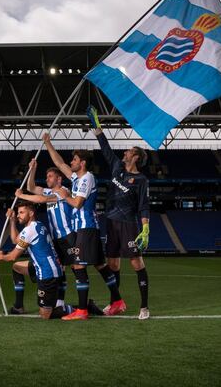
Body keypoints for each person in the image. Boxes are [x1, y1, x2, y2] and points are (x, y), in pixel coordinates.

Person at [42, 133, 126, 320]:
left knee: (78, 266)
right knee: (100, 265)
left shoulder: (87, 178)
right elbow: (60, 164)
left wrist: (64, 196)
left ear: (83, 163)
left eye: (74, 159)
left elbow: (77, 203)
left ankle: (82, 310)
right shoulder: (77, 179)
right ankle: (118, 301)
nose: (71, 162)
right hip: (88, 227)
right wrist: (48, 143)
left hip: (85, 227)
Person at [86, 105, 150, 320]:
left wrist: (146, 228)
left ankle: (144, 307)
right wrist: (97, 126)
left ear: (136, 158)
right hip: (111, 222)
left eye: (129, 152)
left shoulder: (141, 180)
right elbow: (105, 147)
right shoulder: (116, 168)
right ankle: (116, 303)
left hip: (129, 224)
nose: (125, 152)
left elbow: (143, 205)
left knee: (136, 263)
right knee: (113, 264)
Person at [0, 201, 71, 319]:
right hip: (45, 267)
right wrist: (12, 221)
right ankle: (19, 307)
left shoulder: (29, 230)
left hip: (47, 273)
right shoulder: (37, 225)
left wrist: (1, 256)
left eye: (21, 212)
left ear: (31, 213)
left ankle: (80, 308)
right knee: (17, 268)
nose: (18, 215)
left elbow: (13, 256)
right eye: (18, 212)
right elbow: (15, 240)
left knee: (45, 315)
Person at [15, 159, 76, 306]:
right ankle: (60, 303)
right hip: (56, 238)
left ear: (59, 179)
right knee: (60, 269)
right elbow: (31, 187)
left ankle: (82, 305)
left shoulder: (63, 191)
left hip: (68, 235)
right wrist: (33, 169)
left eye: (50, 176)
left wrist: (21, 196)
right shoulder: (49, 191)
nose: (47, 178)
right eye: (47, 176)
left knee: (76, 269)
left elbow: (41, 199)